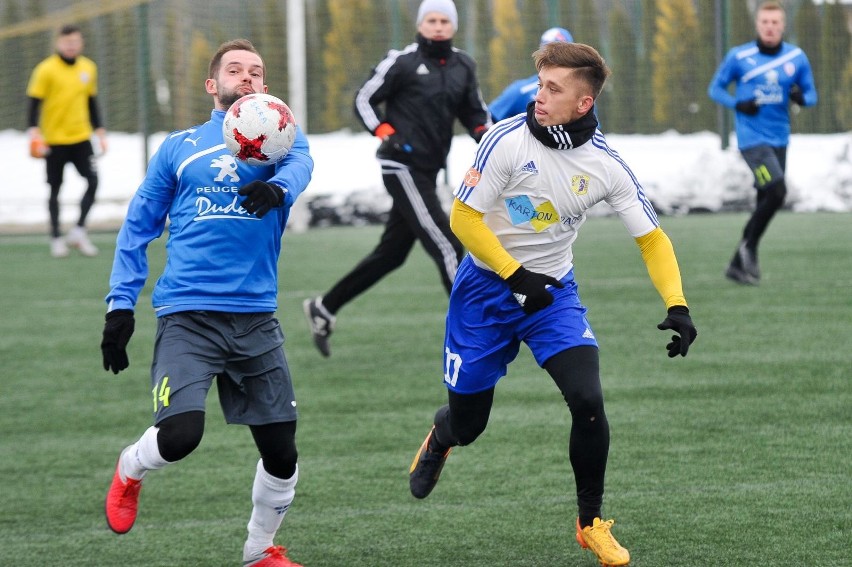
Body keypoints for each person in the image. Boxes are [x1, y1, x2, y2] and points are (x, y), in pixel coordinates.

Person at [408, 41, 698, 567]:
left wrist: (677, 304)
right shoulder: (505, 140)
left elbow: (652, 238)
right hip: (485, 293)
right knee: (469, 424)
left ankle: (590, 524)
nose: (538, 96)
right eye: (540, 84)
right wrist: (516, 275)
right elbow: (464, 220)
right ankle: (441, 437)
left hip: (553, 295)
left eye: (553, 89)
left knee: (587, 400)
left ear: (583, 104)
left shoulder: (606, 165)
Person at [100, 39, 313, 567]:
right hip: (189, 316)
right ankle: (131, 468)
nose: (248, 77)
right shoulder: (179, 147)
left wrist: (278, 189)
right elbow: (137, 227)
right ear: (212, 85)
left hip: (256, 317)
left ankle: (259, 551)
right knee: (180, 435)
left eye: (257, 72)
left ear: (265, 86)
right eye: (235, 70)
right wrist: (119, 306)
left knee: (282, 454)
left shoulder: (282, 142)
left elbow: (303, 166)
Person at [303, 0, 491, 357]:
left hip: (428, 169)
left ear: (453, 26)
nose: (437, 26)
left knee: (391, 255)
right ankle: (477, 330)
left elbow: (474, 112)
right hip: (400, 166)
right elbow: (363, 99)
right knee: (448, 244)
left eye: (444, 20)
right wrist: (385, 131)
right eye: (431, 20)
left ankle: (324, 307)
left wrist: (487, 134)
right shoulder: (401, 62)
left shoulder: (463, 64)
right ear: (421, 25)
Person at [708, 0, 817, 285]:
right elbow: (715, 88)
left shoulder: (796, 58)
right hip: (752, 141)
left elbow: (811, 95)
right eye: (765, 22)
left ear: (783, 26)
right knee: (778, 191)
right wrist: (737, 104)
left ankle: (737, 264)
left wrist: (799, 97)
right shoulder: (740, 56)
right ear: (758, 25)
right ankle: (749, 249)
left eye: (775, 23)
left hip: (780, 138)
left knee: (765, 198)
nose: (770, 27)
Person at [26, 24, 107, 258]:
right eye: (67, 42)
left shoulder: (88, 68)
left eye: (75, 41)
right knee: (55, 188)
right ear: (58, 43)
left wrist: (99, 131)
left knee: (93, 181)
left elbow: (91, 102)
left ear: (80, 43)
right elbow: (34, 103)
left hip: (81, 137)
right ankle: (55, 237)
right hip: (54, 140)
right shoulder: (45, 69)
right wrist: (34, 132)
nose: (71, 45)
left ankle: (79, 230)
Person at [489, 26, 574, 123]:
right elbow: (487, 120)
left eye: (561, 54)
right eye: (547, 53)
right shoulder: (522, 91)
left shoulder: (579, 93)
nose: (553, 59)